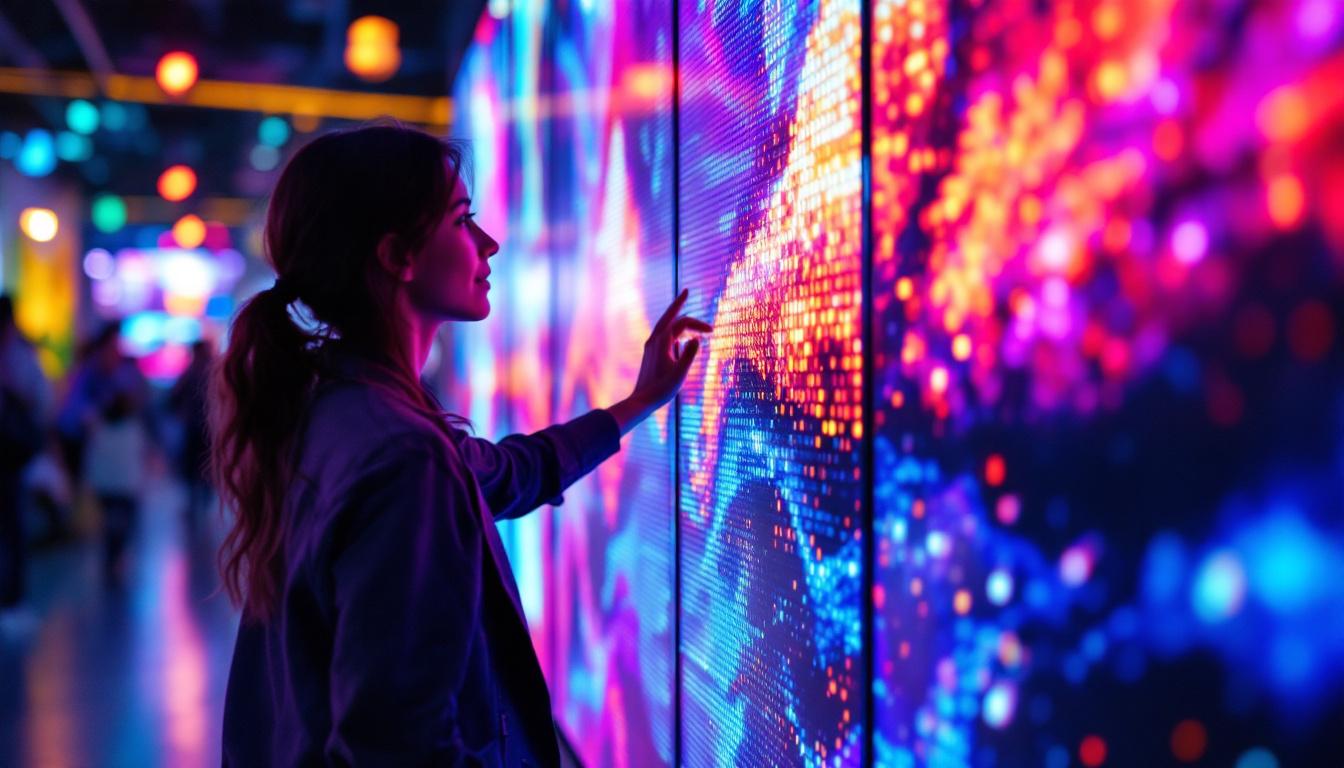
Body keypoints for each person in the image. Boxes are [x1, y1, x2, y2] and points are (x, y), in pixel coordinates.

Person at [215, 125, 710, 766]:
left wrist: (637, 403)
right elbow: (397, 745)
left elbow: (506, 472)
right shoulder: (401, 454)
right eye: (461, 220)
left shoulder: (336, 408)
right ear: (398, 256)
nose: (489, 244)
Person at [0, 295, 50, 630]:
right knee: (13, 529)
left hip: (10, 456)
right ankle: (12, 603)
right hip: (10, 456)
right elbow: (44, 402)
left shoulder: (18, 356)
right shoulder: (21, 356)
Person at [84, 392, 147, 583]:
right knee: (124, 527)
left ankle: (110, 559)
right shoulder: (134, 429)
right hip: (127, 486)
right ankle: (117, 558)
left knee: (109, 526)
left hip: (105, 486)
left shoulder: (100, 428)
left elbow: (93, 457)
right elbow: (140, 457)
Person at [168, 338, 215, 525]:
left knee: (192, 468)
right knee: (207, 467)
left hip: (194, 428)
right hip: (210, 428)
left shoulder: (189, 373)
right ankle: (204, 503)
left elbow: (173, 399)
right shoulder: (212, 372)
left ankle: (196, 504)